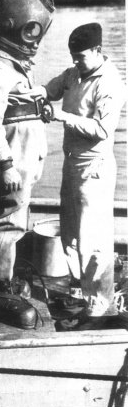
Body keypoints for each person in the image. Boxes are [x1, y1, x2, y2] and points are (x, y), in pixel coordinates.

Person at [0, 0, 55, 329]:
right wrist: (4, 165)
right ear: (11, 25)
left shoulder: (6, 58)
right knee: (9, 219)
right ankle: (0, 291)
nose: (34, 42)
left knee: (13, 215)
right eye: (30, 33)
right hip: (13, 153)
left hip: (23, 150)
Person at [34, 22, 126, 329]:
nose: (75, 61)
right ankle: (83, 294)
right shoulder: (75, 73)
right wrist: (33, 92)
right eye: (72, 55)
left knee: (94, 241)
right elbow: (50, 89)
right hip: (72, 165)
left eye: (81, 56)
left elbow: (102, 130)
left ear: (98, 51)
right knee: (72, 236)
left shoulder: (110, 83)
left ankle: (101, 310)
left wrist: (61, 115)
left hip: (95, 169)